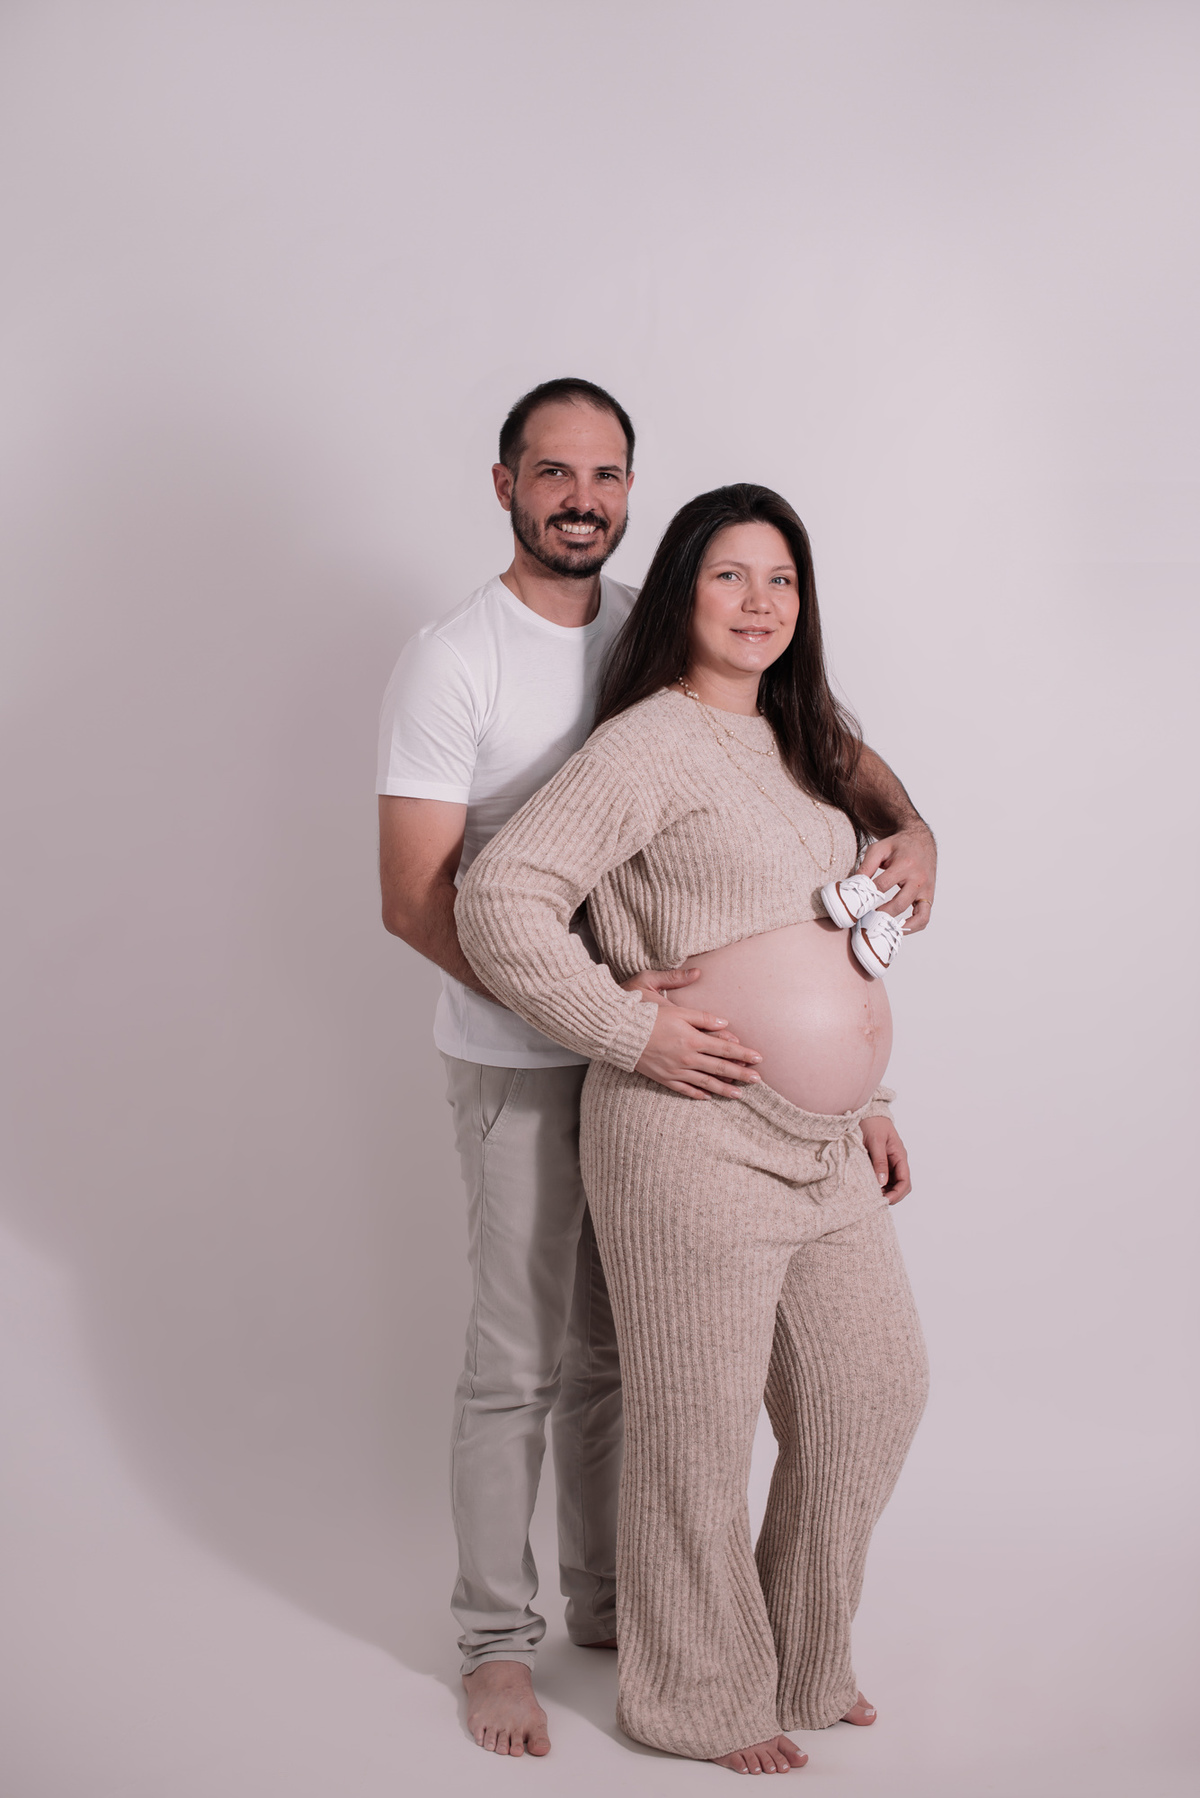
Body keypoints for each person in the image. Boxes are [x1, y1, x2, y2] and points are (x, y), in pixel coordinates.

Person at [377, 382, 936, 1759]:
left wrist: (861, 1082)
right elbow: (471, 898)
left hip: (802, 1132)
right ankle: (608, 1669)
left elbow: (824, 908)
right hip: (612, 1087)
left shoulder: (770, 713)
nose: (758, 599)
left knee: (863, 1392)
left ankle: (785, 1647)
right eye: (732, 576)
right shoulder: (503, 677)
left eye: (781, 578)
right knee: (570, 1377)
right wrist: (624, 1026)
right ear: (505, 483)